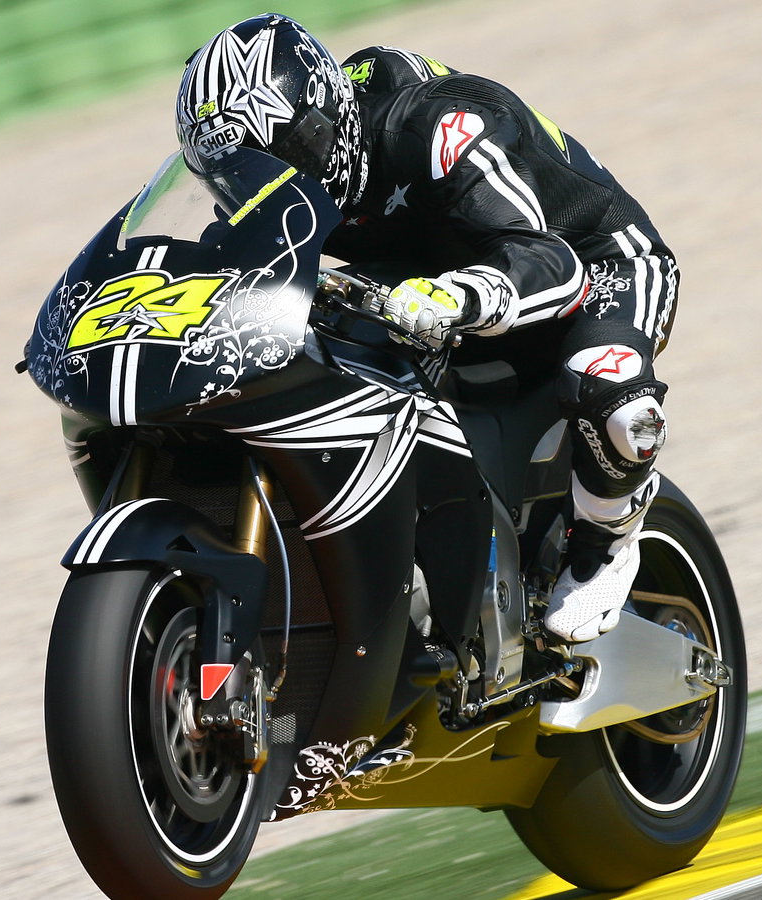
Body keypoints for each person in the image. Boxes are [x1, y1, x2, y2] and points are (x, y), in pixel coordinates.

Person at [176, 15, 678, 643]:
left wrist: (457, 294)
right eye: (238, 173)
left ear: (327, 119)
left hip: (594, 261)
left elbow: (552, 261)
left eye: (288, 157)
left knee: (612, 393)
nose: (276, 182)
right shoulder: (290, 193)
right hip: (429, 278)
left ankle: (604, 546)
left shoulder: (440, 128)